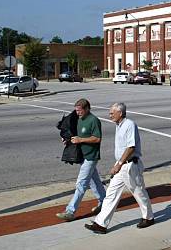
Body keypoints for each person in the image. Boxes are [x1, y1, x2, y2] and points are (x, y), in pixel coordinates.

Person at [84, 102, 154, 234]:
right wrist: (118, 164)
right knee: (111, 194)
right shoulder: (119, 125)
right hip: (122, 165)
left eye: (112, 113)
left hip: (130, 165)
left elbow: (131, 147)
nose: (110, 115)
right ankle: (101, 224)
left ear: (120, 113)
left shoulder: (129, 125)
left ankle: (148, 217)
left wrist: (119, 164)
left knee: (139, 193)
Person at [56, 98, 106, 221]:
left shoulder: (94, 120)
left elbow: (97, 139)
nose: (77, 113)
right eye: (76, 110)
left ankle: (70, 211)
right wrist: (67, 139)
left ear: (87, 108)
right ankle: (105, 202)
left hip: (91, 156)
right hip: (82, 156)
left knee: (81, 184)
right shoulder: (78, 119)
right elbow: (75, 134)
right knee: (94, 182)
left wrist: (81, 140)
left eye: (79, 110)